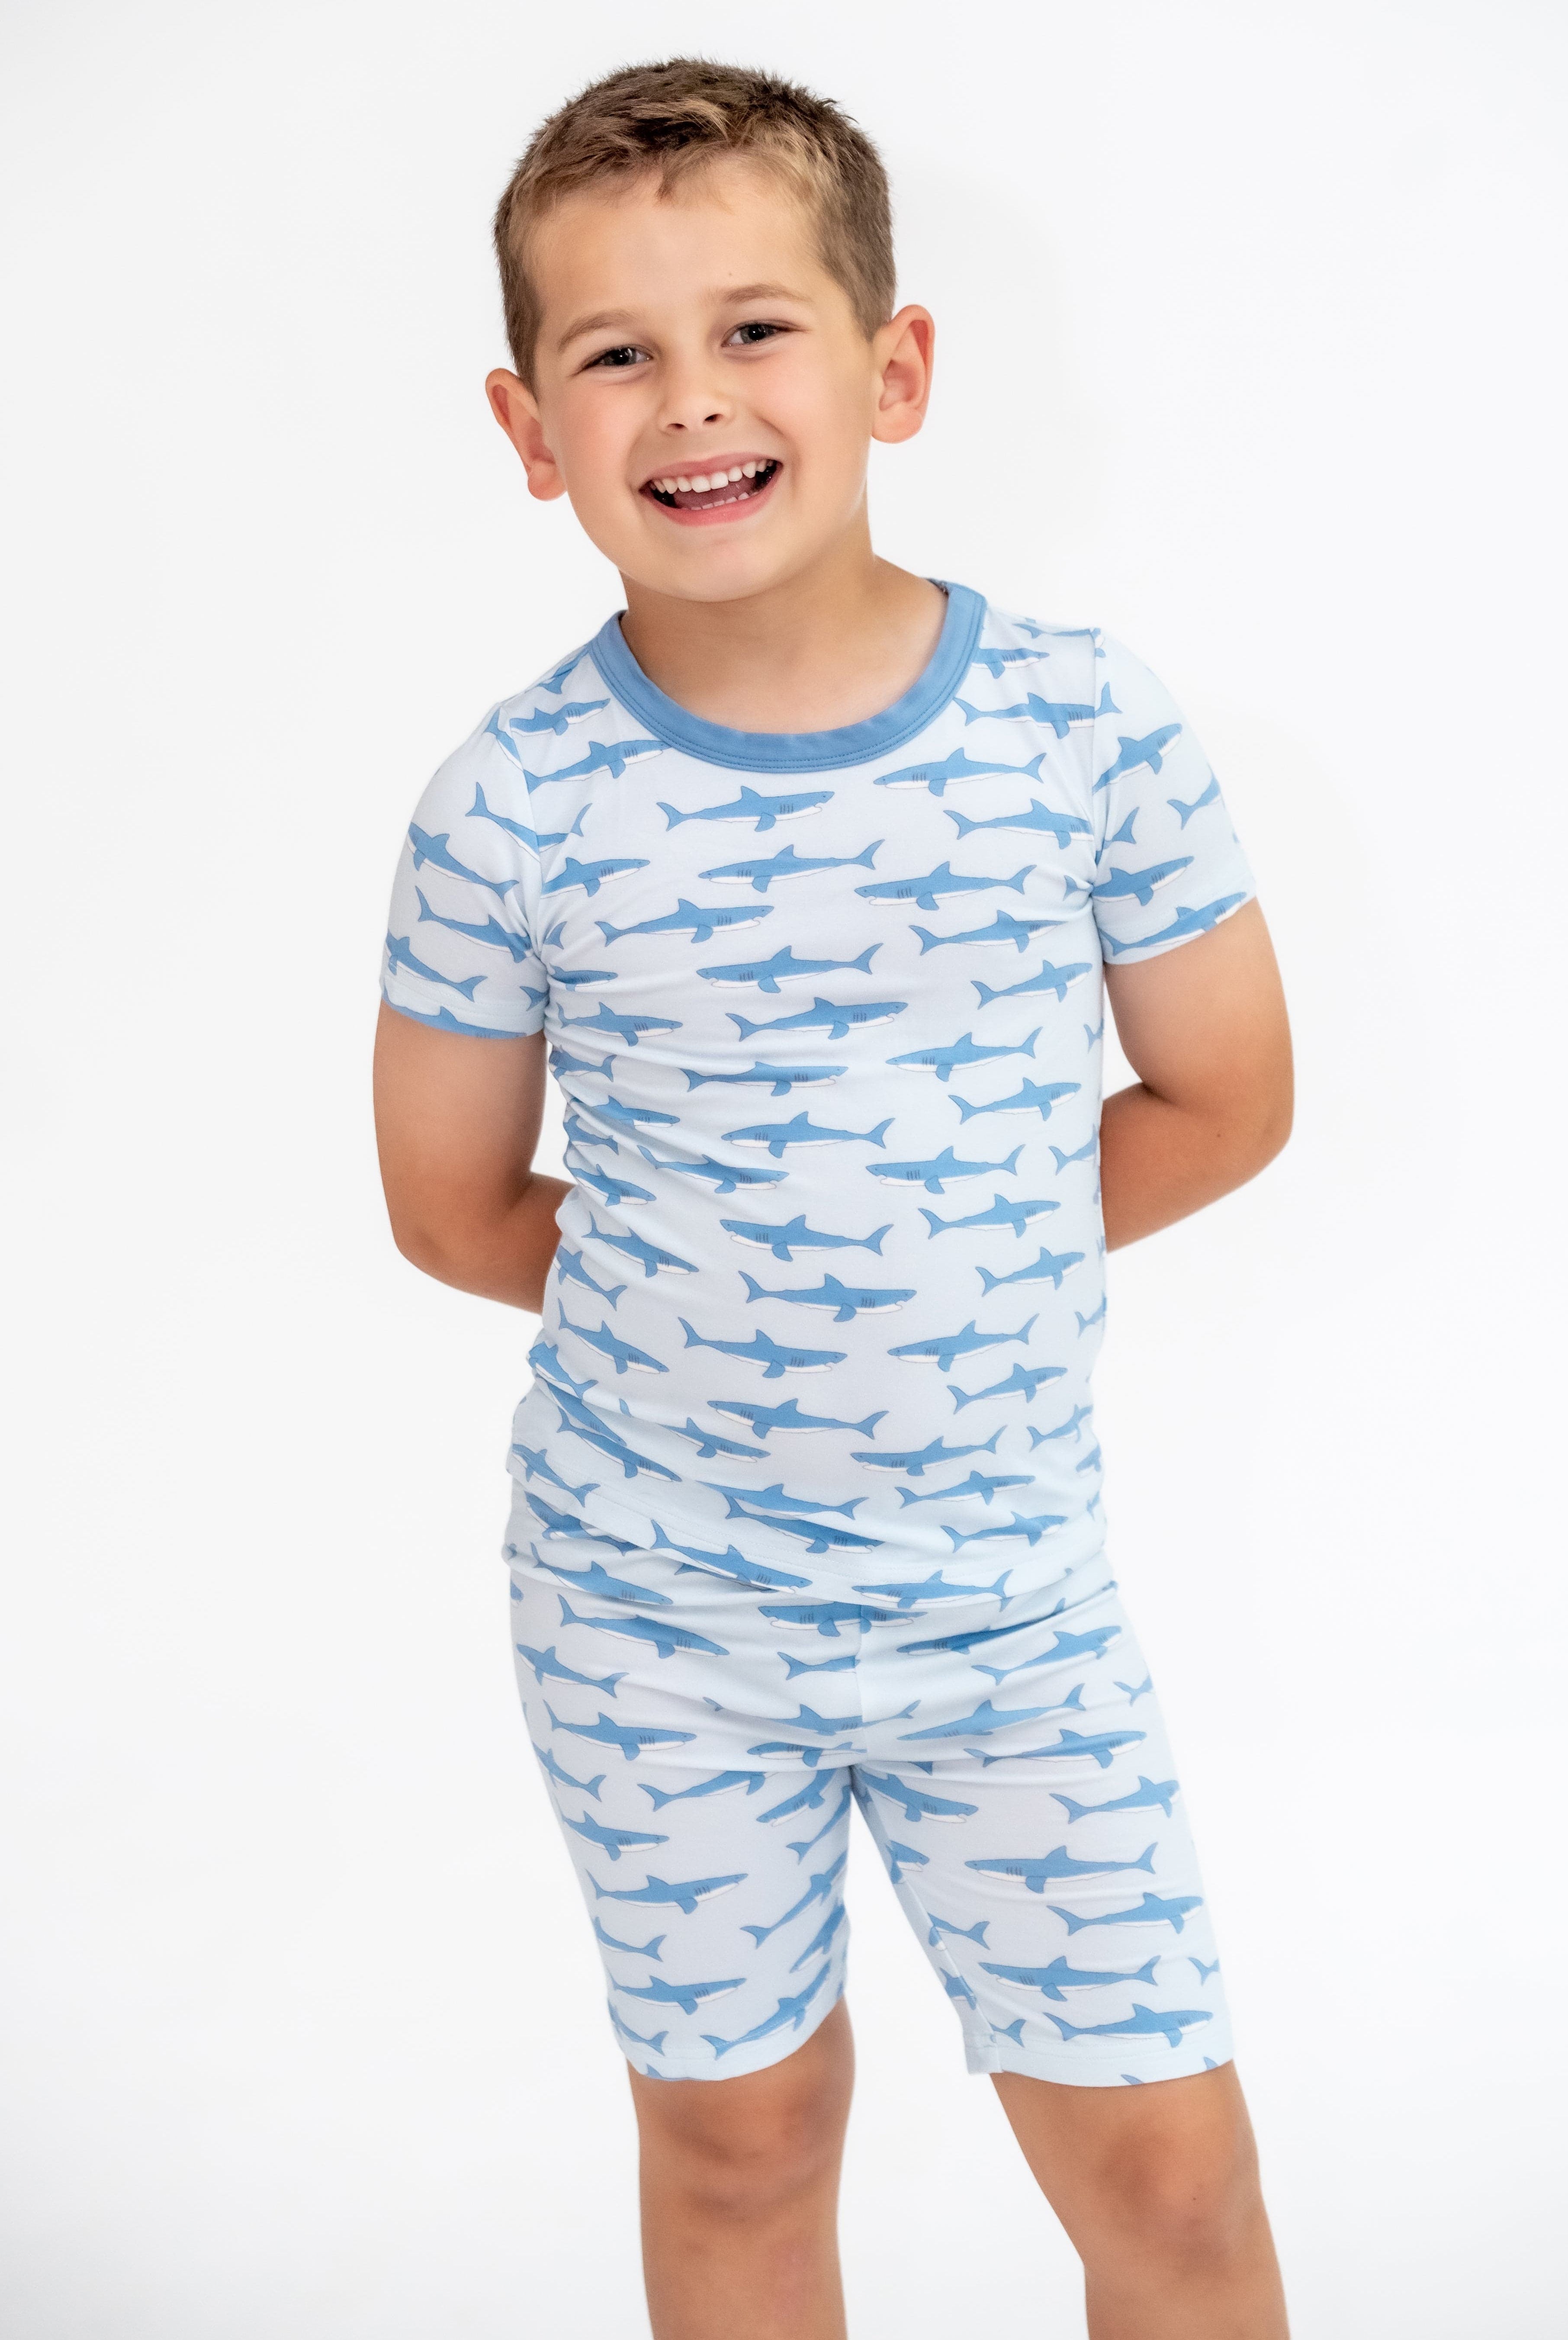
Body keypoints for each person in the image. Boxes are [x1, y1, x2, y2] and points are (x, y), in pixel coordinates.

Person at [372, 57, 1293, 2340]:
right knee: (742, 2140)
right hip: (653, 1617)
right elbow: (453, 1209)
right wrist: (733, 1298)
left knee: (1168, 2177)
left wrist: (959, 1254)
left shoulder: (1081, 729)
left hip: (1009, 1612)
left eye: (755, 327)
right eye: (616, 352)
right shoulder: (508, 809)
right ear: (528, 428)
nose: (692, 397)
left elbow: (1224, 1099)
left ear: (895, 368)